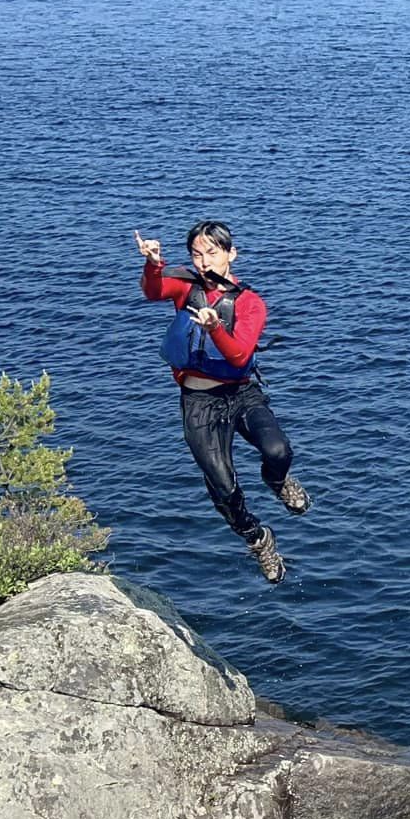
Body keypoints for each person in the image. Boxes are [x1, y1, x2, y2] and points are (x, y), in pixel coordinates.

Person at [134, 221, 309, 584]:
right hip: (198, 400)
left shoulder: (250, 303)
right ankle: (258, 539)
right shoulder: (186, 288)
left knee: (278, 451)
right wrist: (153, 262)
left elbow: (239, 354)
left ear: (231, 254)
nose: (203, 262)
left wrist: (215, 328)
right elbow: (153, 291)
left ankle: (277, 481)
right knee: (222, 485)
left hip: (240, 394)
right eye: (197, 254)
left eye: (212, 252)